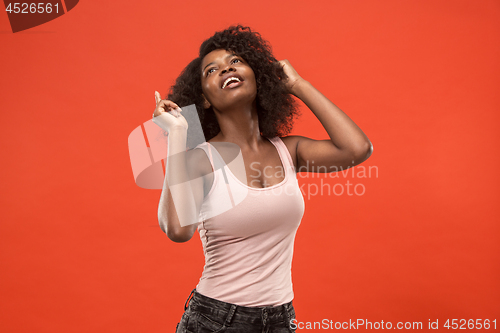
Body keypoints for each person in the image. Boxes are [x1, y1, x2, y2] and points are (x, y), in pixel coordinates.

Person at [152, 25, 372, 333]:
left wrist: (297, 84)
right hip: (215, 320)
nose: (226, 68)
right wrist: (177, 134)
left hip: (281, 319)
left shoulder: (288, 151)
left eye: (235, 61)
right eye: (211, 70)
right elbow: (177, 230)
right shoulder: (200, 158)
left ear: (259, 77)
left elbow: (357, 148)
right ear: (203, 100)